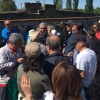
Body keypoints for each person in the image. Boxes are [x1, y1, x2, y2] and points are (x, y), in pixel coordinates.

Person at [71, 34, 97, 100]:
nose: (73, 46)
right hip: (92, 84)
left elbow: (81, 75)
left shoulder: (81, 56)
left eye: (74, 44)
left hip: (84, 86)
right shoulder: (92, 52)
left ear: (81, 43)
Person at [0, 33, 23, 100]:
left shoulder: (19, 50)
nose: (21, 44)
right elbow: (1, 65)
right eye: (20, 42)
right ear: (13, 42)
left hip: (16, 80)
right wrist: (16, 62)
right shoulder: (2, 51)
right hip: (5, 81)